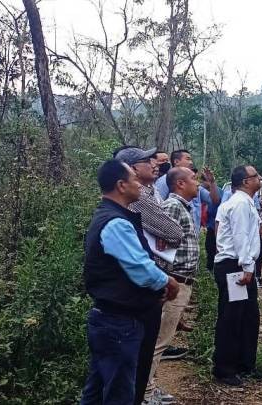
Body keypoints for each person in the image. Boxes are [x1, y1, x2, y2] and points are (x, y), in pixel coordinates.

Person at [80, 160, 180, 405]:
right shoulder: (116, 223)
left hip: (110, 320)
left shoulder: (110, 217)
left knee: (98, 388)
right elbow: (141, 270)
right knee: (119, 392)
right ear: (121, 185)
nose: (140, 185)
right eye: (134, 179)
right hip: (119, 324)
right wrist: (169, 281)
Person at [112, 147, 183, 405]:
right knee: (141, 350)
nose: (154, 164)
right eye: (146, 161)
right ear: (128, 171)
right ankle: (143, 393)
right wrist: (164, 234)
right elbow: (174, 232)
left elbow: (168, 232)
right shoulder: (137, 199)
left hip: (149, 283)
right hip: (143, 289)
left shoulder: (148, 193)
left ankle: (144, 390)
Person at [143, 167, 201, 405]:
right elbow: (159, 248)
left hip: (182, 281)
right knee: (159, 341)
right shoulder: (172, 207)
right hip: (174, 281)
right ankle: (145, 393)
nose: (197, 183)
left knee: (162, 338)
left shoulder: (184, 207)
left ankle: (149, 387)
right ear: (179, 184)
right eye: (193, 179)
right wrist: (166, 280)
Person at [211, 165, 262, 386]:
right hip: (235, 267)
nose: (260, 178)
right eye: (256, 176)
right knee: (232, 317)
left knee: (248, 316)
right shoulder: (240, 203)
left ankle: (244, 362)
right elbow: (241, 237)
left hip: (238, 265)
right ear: (245, 182)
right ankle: (224, 368)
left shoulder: (243, 202)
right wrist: (248, 268)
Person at [155, 149, 220, 233]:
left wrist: (212, 182)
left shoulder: (195, 185)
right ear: (176, 162)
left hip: (193, 237)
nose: (191, 162)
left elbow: (214, 200)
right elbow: (157, 208)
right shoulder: (164, 181)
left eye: (191, 159)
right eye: (188, 159)